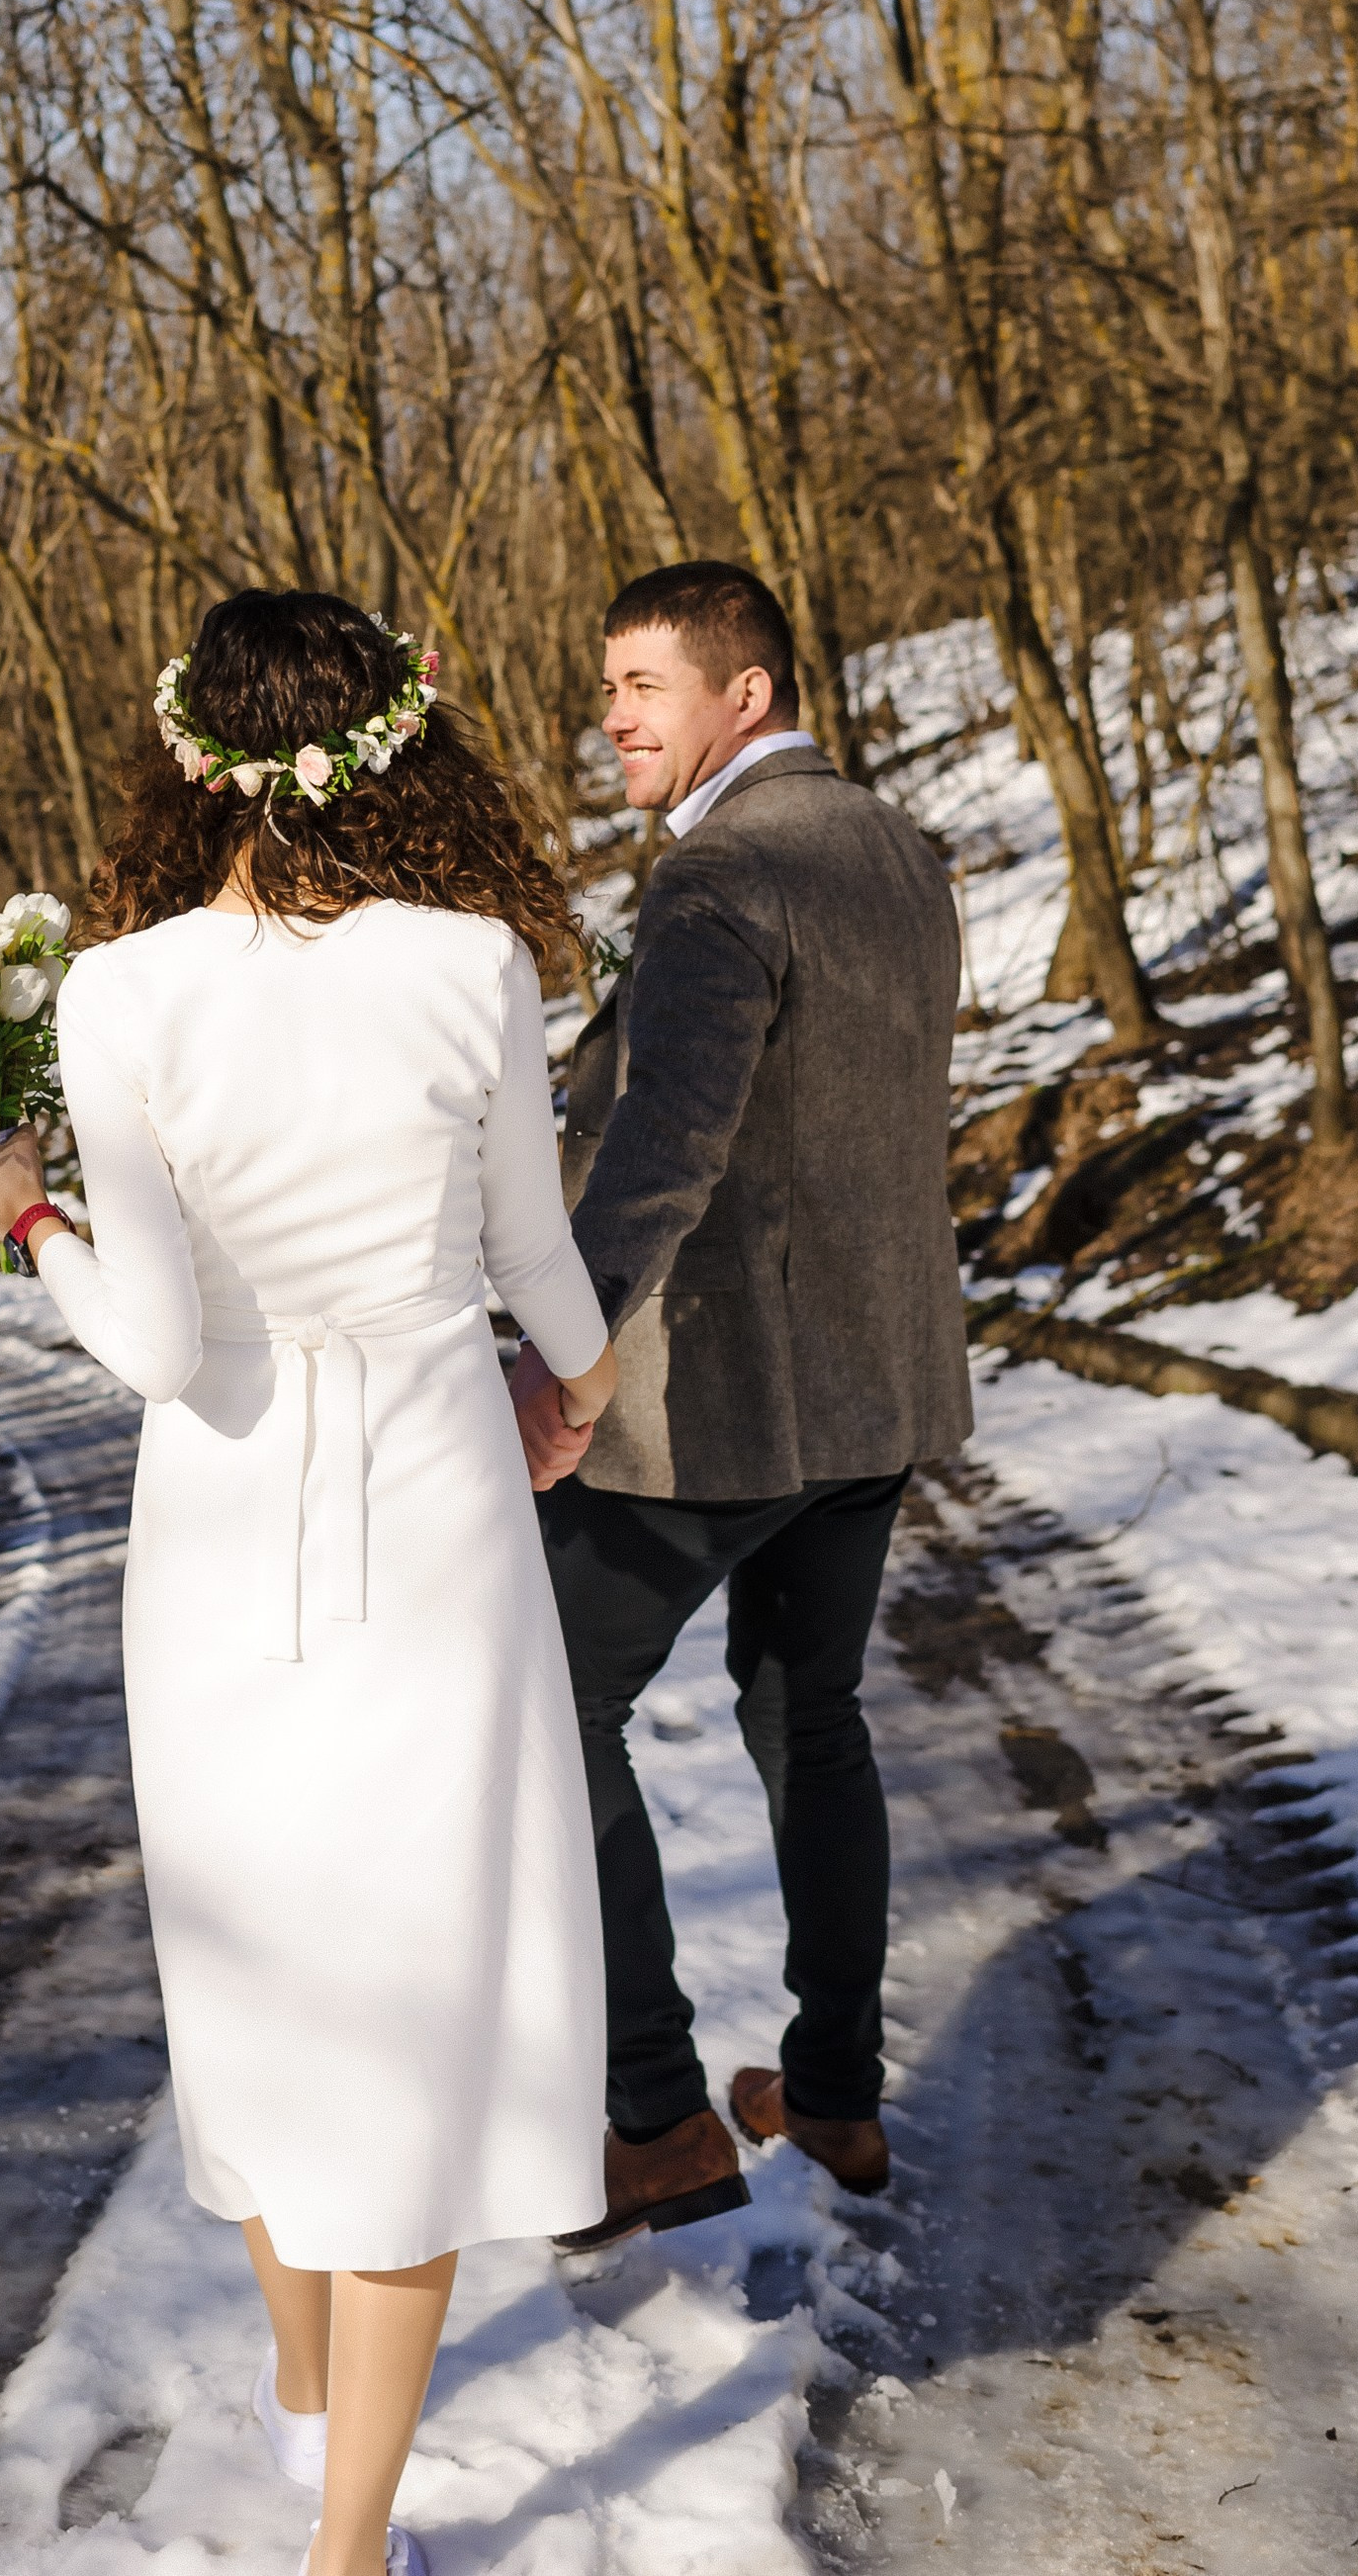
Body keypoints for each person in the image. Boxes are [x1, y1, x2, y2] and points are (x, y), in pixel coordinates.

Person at [0, 592, 617, 2576]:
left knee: (255, 1960)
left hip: (222, 1530)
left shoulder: (121, 992)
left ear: (183, 753)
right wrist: (563, 1393)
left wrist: (27, 1216)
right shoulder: (472, 962)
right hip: (435, 1513)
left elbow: (151, 1345)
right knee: (411, 1980)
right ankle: (348, 2537)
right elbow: (545, 1268)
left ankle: (309, 2387)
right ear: (397, 745)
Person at [509, 561, 970, 2251]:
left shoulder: (720, 878)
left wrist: (564, 1350)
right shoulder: (894, 849)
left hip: (718, 1405)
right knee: (813, 1723)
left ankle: (651, 2121)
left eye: (641, 684)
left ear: (745, 696)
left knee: (548, 1706)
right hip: (878, 1380)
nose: (610, 715)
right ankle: (832, 2095)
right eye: (608, 683)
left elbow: (666, 1148)